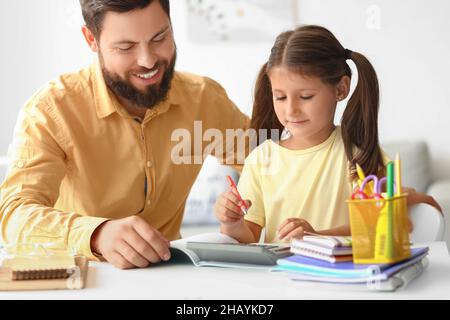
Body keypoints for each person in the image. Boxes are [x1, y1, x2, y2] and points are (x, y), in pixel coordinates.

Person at [0, 0, 250, 269]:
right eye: (126, 47)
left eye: (159, 38)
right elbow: (13, 215)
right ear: (91, 39)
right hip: (85, 278)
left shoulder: (203, 99)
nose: (148, 60)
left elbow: (276, 163)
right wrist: (95, 234)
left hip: (175, 276)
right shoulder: (51, 110)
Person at [214, 25, 442, 244]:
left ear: (341, 89)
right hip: (280, 281)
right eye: (280, 97)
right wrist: (232, 223)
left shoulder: (359, 154)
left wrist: (317, 236)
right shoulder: (261, 159)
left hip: (348, 278)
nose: (291, 110)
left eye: (305, 97)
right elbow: (248, 238)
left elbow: (378, 224)